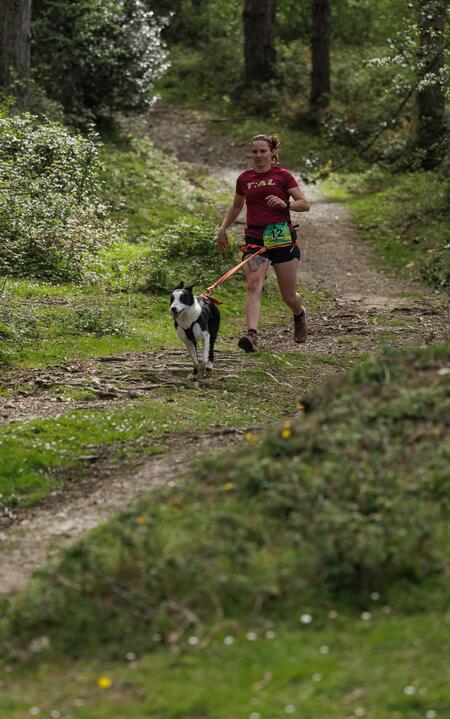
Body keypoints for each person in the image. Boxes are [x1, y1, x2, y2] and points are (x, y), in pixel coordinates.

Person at [217, 133, 310, 352]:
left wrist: (285, 204)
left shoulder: (283, 176)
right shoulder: (244, 179)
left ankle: (299, 314)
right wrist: (223, 228)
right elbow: (236, 206)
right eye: (254, 151)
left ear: (272, 153)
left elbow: (304, 204)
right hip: (255, 240)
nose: (258, 155)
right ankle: (251, 335)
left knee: (288, 295)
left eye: (263, 151)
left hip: (282, 239)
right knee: (253, 284)